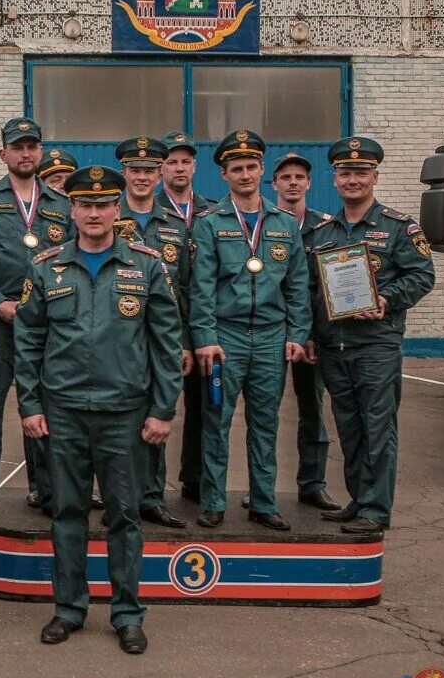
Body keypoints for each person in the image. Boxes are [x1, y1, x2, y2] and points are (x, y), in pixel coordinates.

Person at [16, 166, 183, 655]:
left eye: (103, 204)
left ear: (117, 210)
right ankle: (69, 609)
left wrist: (163, 409)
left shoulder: (148, 265)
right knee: (67, 512)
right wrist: (30, 403)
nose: (93, 212)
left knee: (125, 515)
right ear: (72, 210)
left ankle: (127, 614)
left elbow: (166, 343)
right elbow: (28, 340)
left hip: (125, 412)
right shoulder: (46, 266)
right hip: (63, 410)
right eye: (84, 204)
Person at [307, 138, 435, 535]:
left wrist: (386, 298)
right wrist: (310, 334)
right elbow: (310, 291)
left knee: (378, 427)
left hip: (376, 344)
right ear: (335, 178)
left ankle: (376, 510)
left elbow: (423, 276)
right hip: (333, 345)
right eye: (345, 173)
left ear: (374, 177)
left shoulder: (398, 227)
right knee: (349, 426)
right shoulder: (320, 234)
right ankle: (359, 499)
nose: (352, 180)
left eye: (361, 173)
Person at [188, 130, 310, 531]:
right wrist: (205, 339)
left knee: (265, 423)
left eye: (251, 167)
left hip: (273, 338)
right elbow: (201, 288)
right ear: (223, 175)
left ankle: (262, 501)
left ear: (262, 171)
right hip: (227, 338)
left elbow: (297, 285)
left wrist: (297, 333)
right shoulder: (209, 224)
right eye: (236, 168)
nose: (244, 174)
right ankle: (213, 500)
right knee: (216, 421)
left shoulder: (284, 224)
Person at [0, 117, 70, 523]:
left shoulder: (62, 206)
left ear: (40, 152)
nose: (25, 153)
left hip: (47, 326)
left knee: (46, 408)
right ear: (3, 154)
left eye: (32, 146)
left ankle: (46, 491)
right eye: (17, 147)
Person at [115, 136, 194, 530]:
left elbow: (189, 287)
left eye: (149, 170)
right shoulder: (109, 220)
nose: (142, 177)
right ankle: (119, 495)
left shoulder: (177, 225)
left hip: (162, 337)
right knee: (117, 418)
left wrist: (185, 343)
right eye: (135, 170)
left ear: (160, 173)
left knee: (157, 414)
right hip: (118, 336)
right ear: (124, 174)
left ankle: (152, 497)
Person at [268, 152, 340, 511]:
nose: (293, 182)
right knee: (263, 413)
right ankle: (262, 487)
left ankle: (312, 484)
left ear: (309, 183)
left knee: (312, 410)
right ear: (274, 184)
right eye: (286, 177)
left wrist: (310, 332)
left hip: (311, 338)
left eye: (300, 176)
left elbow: (327, 288)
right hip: (267, 334)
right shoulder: (263, 224)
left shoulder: (326, 228)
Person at [160, 130, 215, 503]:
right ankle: (150, 488)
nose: (179, 168)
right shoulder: (142, 214)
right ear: (161, 168)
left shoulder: (213, 211)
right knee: (157, 408)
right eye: (172, 162)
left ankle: (195, 481)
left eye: (185, 161)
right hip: (163, 330)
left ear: (194, 166)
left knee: (204, 409)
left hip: (207, 327)